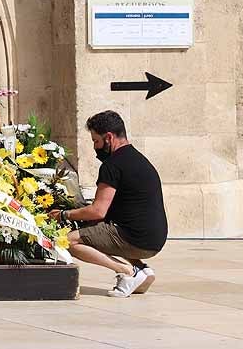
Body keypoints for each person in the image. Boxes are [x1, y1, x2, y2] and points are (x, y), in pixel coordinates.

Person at [50, 110, 168, 297]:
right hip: (155, 237)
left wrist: (64, 214)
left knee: (66, 241)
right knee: (93, 229)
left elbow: (98, 211)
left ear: (109, 137)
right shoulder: (139, 159)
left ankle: (127, 271)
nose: (95, 147)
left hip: (135, 237)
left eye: (96, 141)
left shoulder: (112, 165)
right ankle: (142, 269)